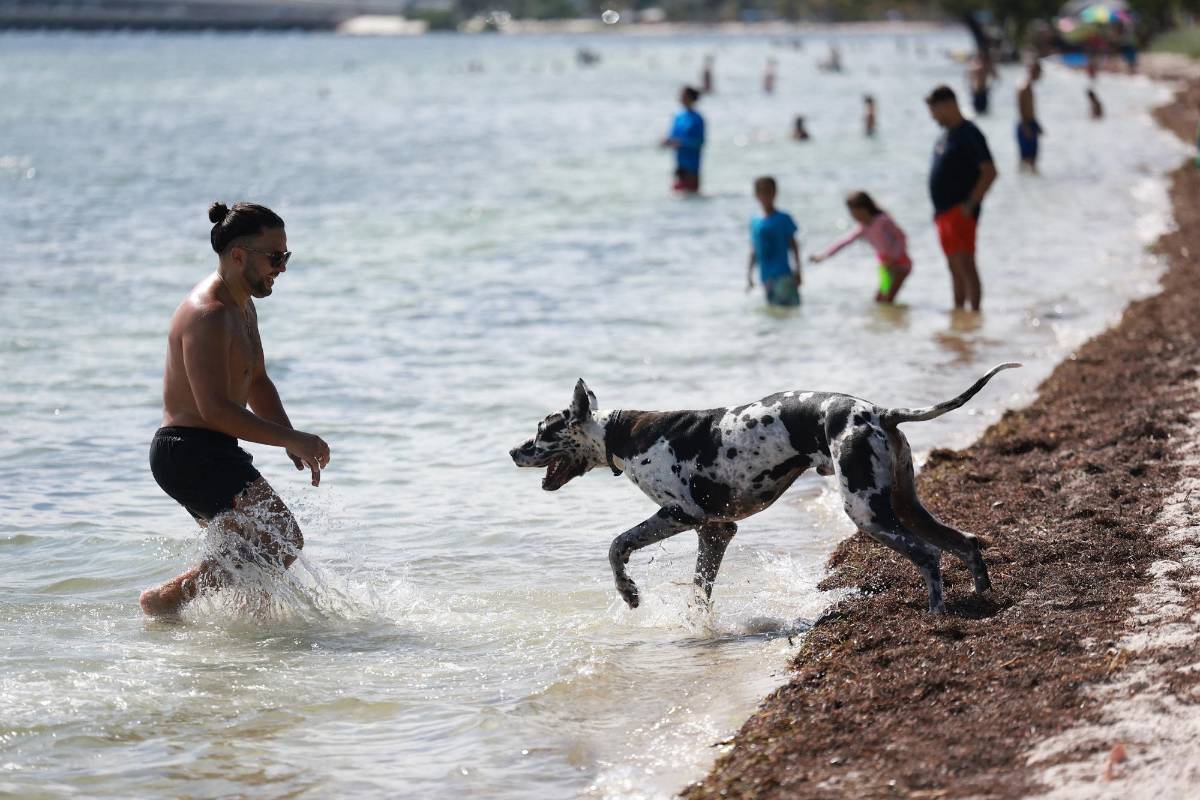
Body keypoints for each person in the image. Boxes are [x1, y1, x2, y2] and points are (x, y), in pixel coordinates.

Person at [140, 202, 331, 617]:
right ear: (239, 255)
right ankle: (166, 601)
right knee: (281, 539)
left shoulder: (243, 306)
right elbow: (213, 410)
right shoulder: (207, 315)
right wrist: (290, 437)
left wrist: (289, 438)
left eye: (286, 256)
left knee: (252, 560)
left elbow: (257, 381)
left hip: (210, 449)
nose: (281, 268)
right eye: (275, 256)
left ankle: (241, 651)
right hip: (189, 451)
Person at [926, 85, 997, 312]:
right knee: (953, 267)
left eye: (934, 110)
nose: (932, 116)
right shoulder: (945, 135)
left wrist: (970, 204)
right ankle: (959, 315)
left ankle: (975, 313)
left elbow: (989, 171)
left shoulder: (969, 133)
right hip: (942, 213)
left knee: (966, 264)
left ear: (948, 105)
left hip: (960, 210)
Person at [810, 191, 912, 303]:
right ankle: (889, 319)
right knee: (879, 300)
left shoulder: (883, 220)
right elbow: (844, 242)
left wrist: (894, 258)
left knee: (888, 298)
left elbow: (901, 237)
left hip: (900, 264)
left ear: (863, 209)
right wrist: (824, 255)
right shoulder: (864, 227)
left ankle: (897, 318)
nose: (852, 216)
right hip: (885, 266)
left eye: (853, 212)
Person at [746, 176, 802, 307]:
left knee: (789, 311)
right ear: (756, 195)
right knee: (774, 313)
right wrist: (749, 275)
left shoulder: (783, 218)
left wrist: (798, 271)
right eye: (761, 192)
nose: (765, 195)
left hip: (783, 275)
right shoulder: (755, 221)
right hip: (765, 277)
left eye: (768, 191)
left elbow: (794, 246)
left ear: (775, 193)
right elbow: (754, 249)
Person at [662, 86, 705, 194]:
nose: (681, 98)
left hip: (692, 165)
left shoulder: (697, 119)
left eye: (684, 96)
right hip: (679, 163)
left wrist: (681, 143)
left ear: (691, 98)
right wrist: (667, 142)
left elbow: (700, 142)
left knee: (691, 197)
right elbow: (672, 136)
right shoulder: (678, 117)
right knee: (677, 197)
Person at [1016, 59, 1044, 173]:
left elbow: (1029, 109)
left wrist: (1037, 124)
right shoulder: (1024, 86)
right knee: (1028, 161)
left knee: (1029, 161)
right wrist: (1026, 126)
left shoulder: (1028, 86)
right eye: (1039, 72)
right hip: (1026, 124)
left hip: (1029, 123)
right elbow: (1021, 108)